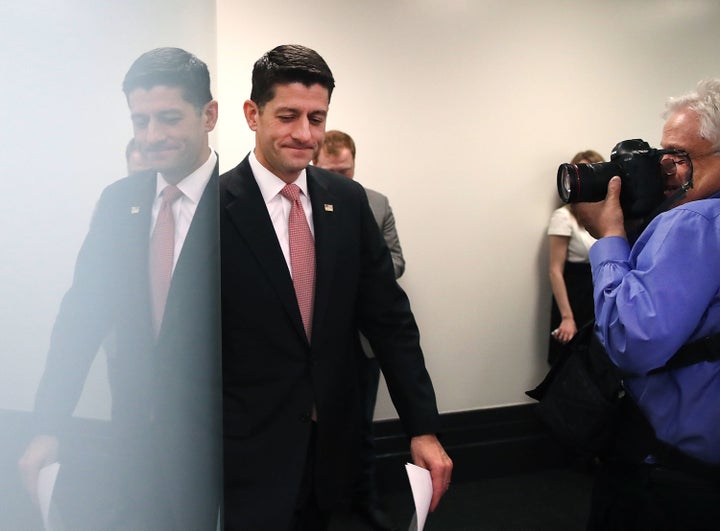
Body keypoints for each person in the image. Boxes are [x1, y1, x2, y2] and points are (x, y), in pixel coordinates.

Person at [220, 44, 452, 530]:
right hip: (246, 451)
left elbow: (389, 319)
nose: (305, 135)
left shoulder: (346, 202)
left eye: (316, 118)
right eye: (287, 116)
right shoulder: (212, 207)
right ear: (251, 114)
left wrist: (423, 427)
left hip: (335, 446)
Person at [17, 47, 222, 529]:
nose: (153, 136)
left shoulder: (243, 204)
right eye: (140, 121)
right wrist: (48, 424)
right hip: (135, 435)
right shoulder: (119, 203)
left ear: (208, 115)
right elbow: (79, 320)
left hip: (222, 441)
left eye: (169, 118)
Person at [574, 79, 720, 530]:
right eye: (662, 156)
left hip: (669, 474)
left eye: (679, 157)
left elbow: (632, 340)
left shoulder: (693, 222)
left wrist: (612, 238)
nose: (665, 170)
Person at [314, 130, 403, 531]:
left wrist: (357, 271)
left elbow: (396, 262)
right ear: (316, 165)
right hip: (315, 339)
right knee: (314, 430)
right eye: (332, 171)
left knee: (363, 428)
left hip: (364, 340)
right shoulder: (298, 203)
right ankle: (320, 505)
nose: (342, 178)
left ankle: (364, 500)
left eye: (346, 170)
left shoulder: (377, 202)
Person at [547, 150, 603, 364]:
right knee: (570, 366)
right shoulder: (563, 217)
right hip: (575, 296)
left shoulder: (607, 217)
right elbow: (555, 271)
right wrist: (567, 318)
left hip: (600, 293)